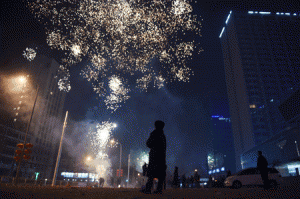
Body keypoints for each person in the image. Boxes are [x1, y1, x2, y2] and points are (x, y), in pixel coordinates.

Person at [141, 120, 167, 194]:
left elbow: (148, 144)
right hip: (161, 157)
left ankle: (148, 189)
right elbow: (164, 148)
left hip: (154, 156)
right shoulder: (163, 135)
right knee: (160, 174)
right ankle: (159, 190)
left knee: (151, 173)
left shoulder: (154, 133)